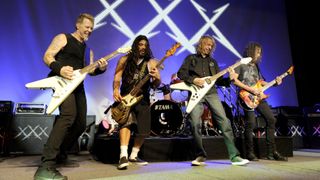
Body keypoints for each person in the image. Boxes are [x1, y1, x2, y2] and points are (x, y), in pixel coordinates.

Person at [34, 13, 108, 180]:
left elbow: (89, 71)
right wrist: (59, 68)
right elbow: (47, 56)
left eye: (91, 28)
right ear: (78, 25)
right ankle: (46, 166)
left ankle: (60, 152)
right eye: (87, 27)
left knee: (80, 123)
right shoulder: (63, 38)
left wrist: (101, 69)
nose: (89, 30)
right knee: (68, 115)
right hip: (61, 82)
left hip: (77, 86)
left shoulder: (88, 49)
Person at [176, 35, 249, 166]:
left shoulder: (213, 62)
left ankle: (234, 156)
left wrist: (230, 79)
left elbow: (219, 81)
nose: (209, 47)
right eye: (207, 44)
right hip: (196, 94)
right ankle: (200, 155)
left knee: (224, 122)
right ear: (200, 45)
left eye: (211, 45)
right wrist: (193, 80)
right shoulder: (191, 59)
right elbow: (181, 73)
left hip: (211, 93)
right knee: (194, 124)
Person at [233, 42, 288, 161]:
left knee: (271, 119)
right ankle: (249, 153)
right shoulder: (241, 63)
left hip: (258, 96)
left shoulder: (256, 66)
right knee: (251, 123)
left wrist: (275, 83)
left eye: (260, 52)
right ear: (251, 51)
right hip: (246, 97)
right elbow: (234, 81)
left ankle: (271, 152)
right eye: (257, 52)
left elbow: (261, 82)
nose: (259, 54)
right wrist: (250, 89)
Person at [113, 35, 161, 170]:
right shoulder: (124, 59)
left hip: (143, 99)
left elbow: (157, 84)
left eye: (145, 45)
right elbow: (117, 76)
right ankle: (123, 156)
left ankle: (133, 155)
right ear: (135, 45)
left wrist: (157, 77)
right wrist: (116, 90)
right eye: (140, 44)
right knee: (125, 123)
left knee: (143, 129)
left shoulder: (151, 62)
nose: (143, 47)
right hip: (125, 97)